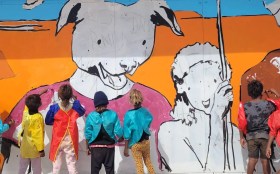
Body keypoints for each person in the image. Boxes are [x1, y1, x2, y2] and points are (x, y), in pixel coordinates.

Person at [45, 84, 85, 174]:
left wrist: (56, 122)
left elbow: (47, 121)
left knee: (56, 167)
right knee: (71, 166)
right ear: (71, 95)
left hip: (58, 140)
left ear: (59, 96)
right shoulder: (75, 107)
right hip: (70, 139)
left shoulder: (54, 108)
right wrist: (76, 100)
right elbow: (82, 111)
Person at [238, 80, 276, 174]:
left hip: (251, 137)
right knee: (265, 160)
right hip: (265, 137)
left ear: (249, 93)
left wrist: (242, 137)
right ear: (261, 91)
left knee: (252, 160)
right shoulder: (268, 105)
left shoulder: (245, 106)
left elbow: (241, 122)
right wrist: (276, 93)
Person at [84, 91, 123, 174]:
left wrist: (87, 147)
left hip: (95, 148)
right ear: (106, 103)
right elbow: (118, 131)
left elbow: (88, 133)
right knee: (110, 170)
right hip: (109, 148)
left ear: (95, 104)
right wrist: (121, 138)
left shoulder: (91, 116)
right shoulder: (113, 114)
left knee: (94, 171)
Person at [123, 89, 155, 174]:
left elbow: (127, 133)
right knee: (148, 162)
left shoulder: (129, 114)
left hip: (135, 144)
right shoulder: (145, 111)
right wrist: (145, 128)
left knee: (139, 165)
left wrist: (126, 148)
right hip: (146, 142)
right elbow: (150, 118)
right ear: (141, 98)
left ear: (131, 100)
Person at [18, 94, 44, 174]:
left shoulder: (25, 114)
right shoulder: (38, 118)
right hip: (34, 149)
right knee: (36, 169)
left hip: (24, 147)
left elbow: (27, 106)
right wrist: (41, 150)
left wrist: (39, 93)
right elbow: (38, 135)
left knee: (22, 167)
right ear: (39, 104)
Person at [266, 105, 280, 174]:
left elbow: (273, 131)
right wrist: (268, 146)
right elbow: (273, 131)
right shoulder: (277, 114)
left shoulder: (277, 114)